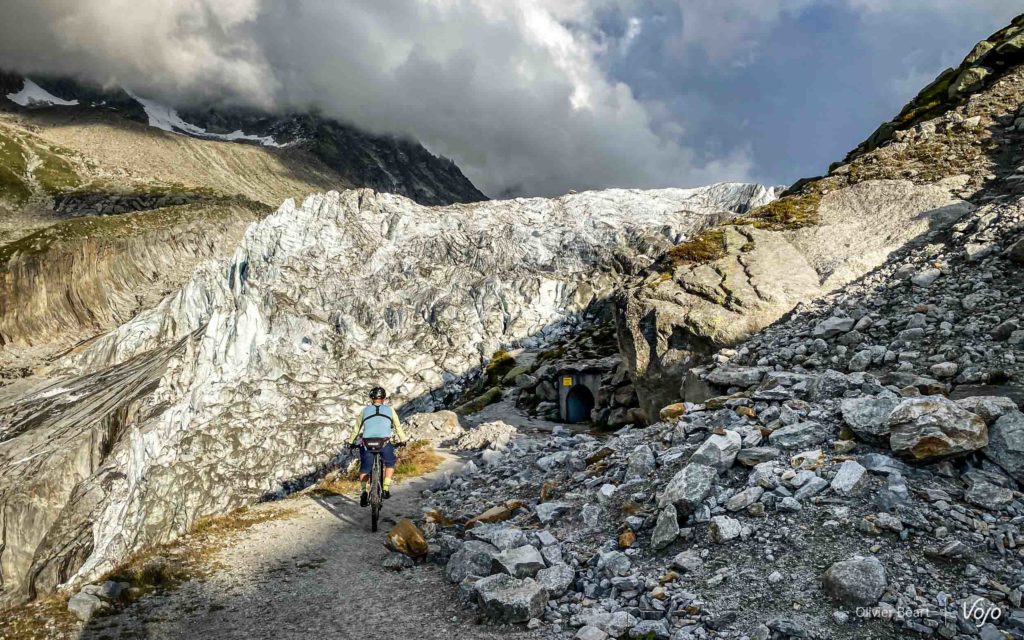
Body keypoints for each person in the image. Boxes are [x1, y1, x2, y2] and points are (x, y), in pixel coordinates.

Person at [348, 386, 407, 506]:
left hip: (367, 443)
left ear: (371, 398)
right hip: (383, 443)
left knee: (364, 469)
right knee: (390, 463)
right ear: (384, 398)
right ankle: (385, 488)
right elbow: (397, 426)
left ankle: (364, 492)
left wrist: (351, 442)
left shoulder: (365, 410)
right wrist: (403, 440)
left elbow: (356, 428)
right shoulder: (390, 410)